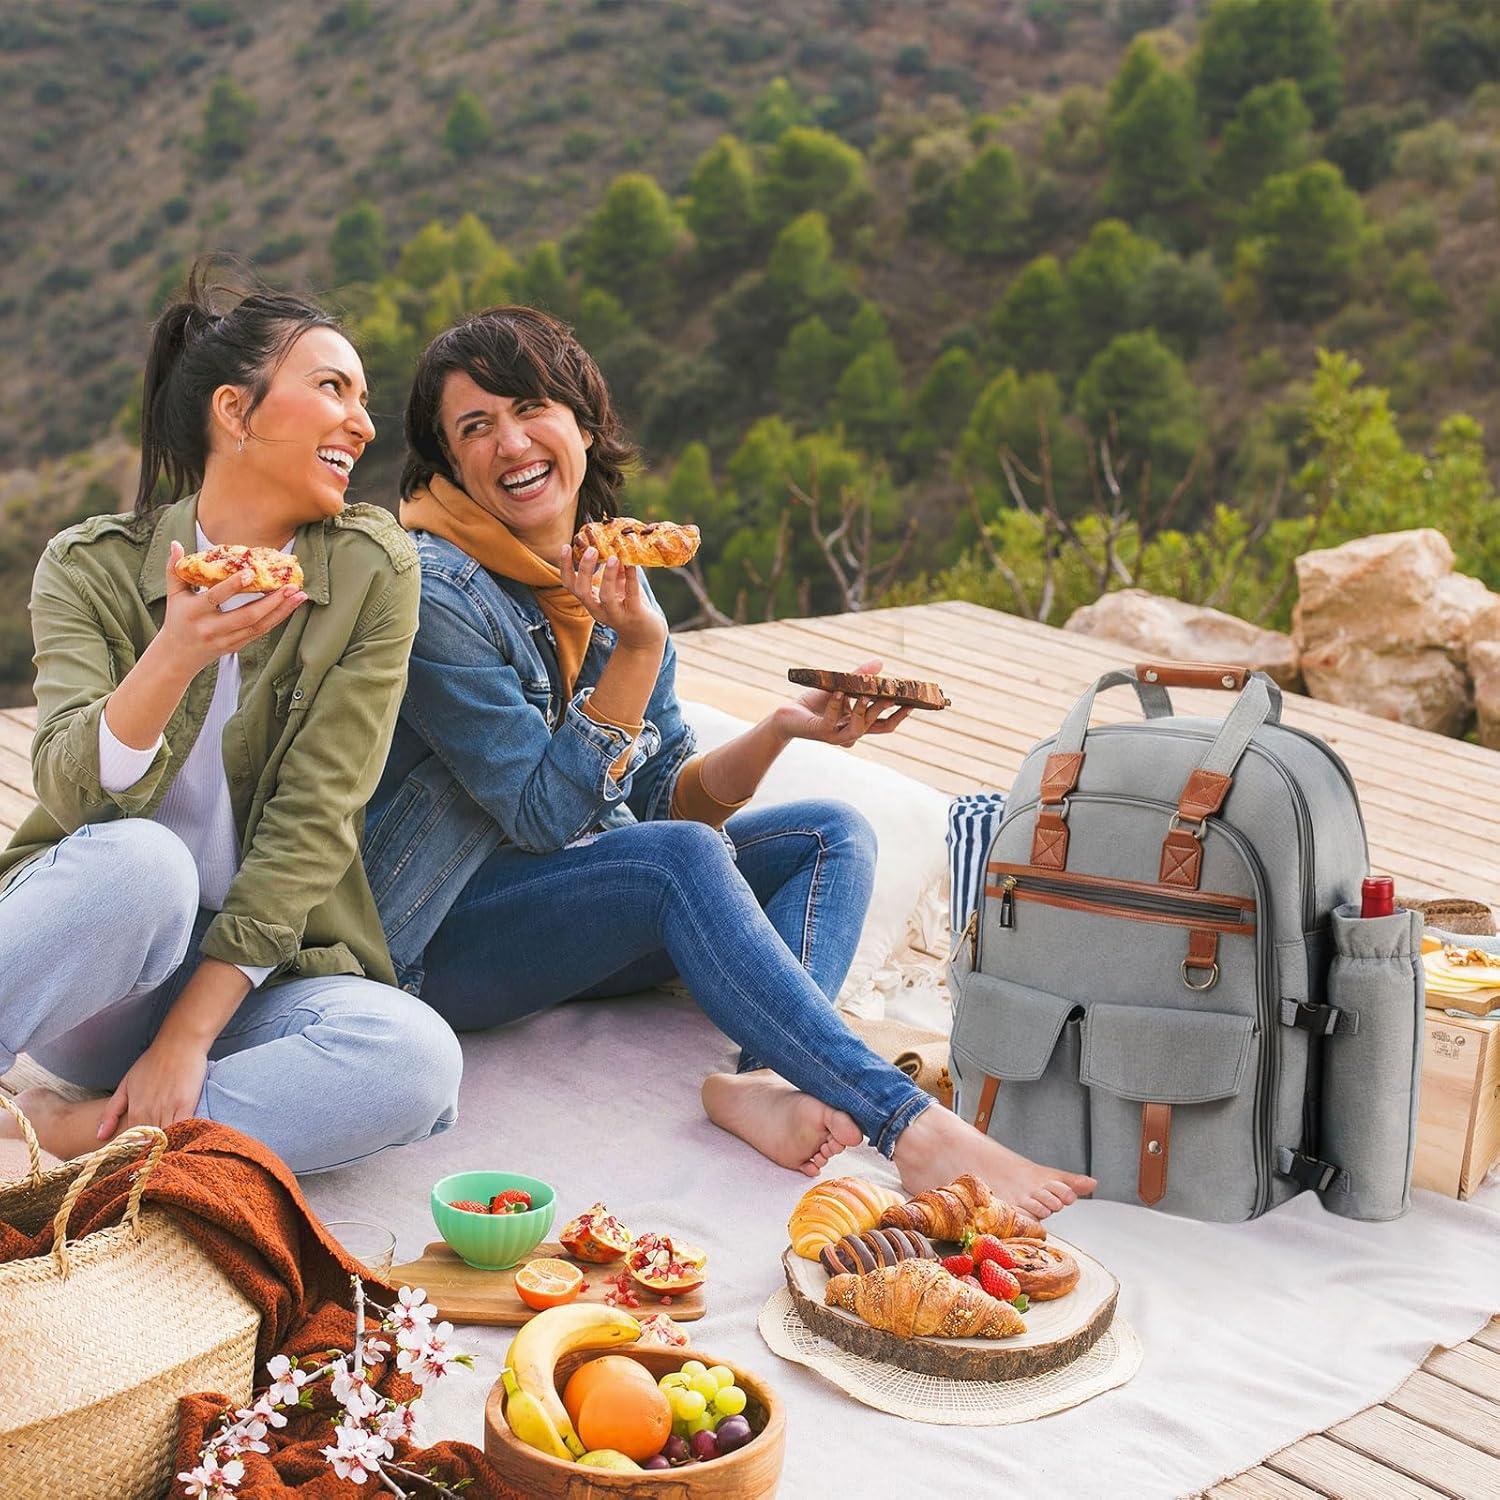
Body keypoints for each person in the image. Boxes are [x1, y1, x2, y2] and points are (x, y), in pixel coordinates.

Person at [363, 305, 1094, 1217]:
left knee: (832, 832)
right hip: (447, 938)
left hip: (582, 908)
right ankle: (909, 1126)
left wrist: (779, 730)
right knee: (680, 862)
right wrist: (638, 649)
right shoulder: (435, 590)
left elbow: (663, 800)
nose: (510, 442)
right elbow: (546, 819)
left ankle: (764, 1081)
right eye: (475, 427)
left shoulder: (605, 577)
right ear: (448, 463)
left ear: (583, 425)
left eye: (529, 408)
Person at [0, 261, 462, 1174]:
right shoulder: (88, 567)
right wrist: (173, 655)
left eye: (363, 399)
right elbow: (70, 788)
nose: (363, 423)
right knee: (146, 863)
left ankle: (81, 1136)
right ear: (235, 411)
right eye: (331, 387)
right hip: (99, 971)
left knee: (417, 1060)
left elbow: (317, 818)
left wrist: (185, 1040)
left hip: (252, 976)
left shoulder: (371, 570)